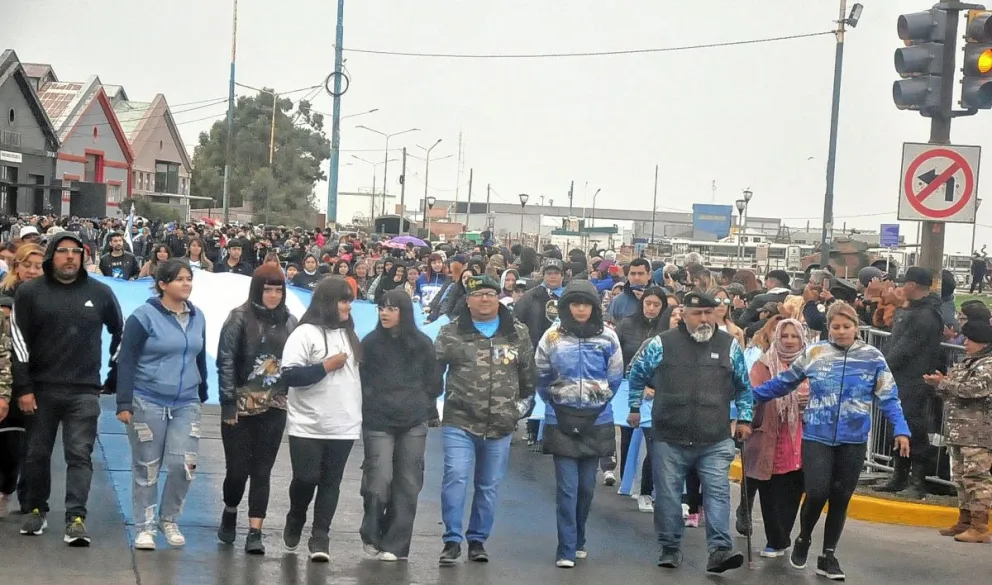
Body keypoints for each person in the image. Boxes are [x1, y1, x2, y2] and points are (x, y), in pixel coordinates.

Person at [752, 301, 911, 580]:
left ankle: (828, 555)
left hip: (854, 438)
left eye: (846, 326)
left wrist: (901, 429)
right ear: (828, 328)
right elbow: (783, 382)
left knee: (840, 498)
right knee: (816, 492)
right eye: (835, 327)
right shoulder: (815, 353)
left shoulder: (873, 357)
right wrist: (749, 397)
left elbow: (889, 396)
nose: (840, 331)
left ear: (856, 327)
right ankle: (803, 538)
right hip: (817, 435)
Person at [627, 291, 753, 574]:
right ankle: (670, 547)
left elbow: (744, 386)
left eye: (710, 312)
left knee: (718, 492)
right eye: (698, 313)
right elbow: (636, 374)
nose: (704, 318)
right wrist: (634, 406)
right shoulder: (661, 344)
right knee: (669, 495)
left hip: (715, 436)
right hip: (669, 436)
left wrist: (745, 419)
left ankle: (719, 551)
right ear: (684, 314)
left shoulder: (729, 346)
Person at [12, 232, 124, 545]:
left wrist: (113, 374)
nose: (70, 257)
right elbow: (19, 343)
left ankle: (76, 517)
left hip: (84, 391)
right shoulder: (30, 293)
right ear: (51, 256)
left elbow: (121, 331)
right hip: (40, 389)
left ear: (83, 257)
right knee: (36, 455)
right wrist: (23, 387)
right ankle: (36, 509)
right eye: (63, 251)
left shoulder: (100, 292)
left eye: (76, 251)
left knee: (79, 455)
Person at [434, 275, 536, 565]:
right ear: (468, 300)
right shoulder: (451, 332)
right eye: (478, 294)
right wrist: (430, 403)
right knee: (456, 477)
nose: (485, 299)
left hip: (501, 424)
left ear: (498, 297)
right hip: (459, 421)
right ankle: (452, 540)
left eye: (491, 293)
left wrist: (520, 409)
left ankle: (477, 540)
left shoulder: (517, 332)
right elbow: (433, 371)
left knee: (488, 485)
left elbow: (528, 377)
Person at [115, 260, 208, 550]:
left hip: (186, 402)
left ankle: (169, 519)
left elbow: (199, 356)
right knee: (147, 467)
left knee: (184, 465)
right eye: (179, 279)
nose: (186, 284)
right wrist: (123, 401)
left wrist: (202, 390)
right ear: (163, 284)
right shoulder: (143, 317)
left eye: (189, 278)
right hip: (147, 399)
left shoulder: (198, 316)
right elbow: (126, 359)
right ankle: (145, 526)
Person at [535, 280, 624, 568]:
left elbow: (615, 376)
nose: (581, 309)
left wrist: (598, 399)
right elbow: (541, 374)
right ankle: (566, 548)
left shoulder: (609, 338)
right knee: (567, 488)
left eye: (586, 303)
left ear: (595, 307)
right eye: (575, 303)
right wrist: (558, 400)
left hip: (597, 418)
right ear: (566, 306)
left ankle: (580, 538)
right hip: (560, 417)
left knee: (587, 487)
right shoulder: (551, 337)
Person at [280, 277, 363, 562]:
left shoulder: (350, 334)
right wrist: (325, 366)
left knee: (331, 482)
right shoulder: (304, 333)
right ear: (328, 302)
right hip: (308, 424)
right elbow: (290, 375)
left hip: (344, 424)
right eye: (344, 300)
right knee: (306, 478)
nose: (349, 306)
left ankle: (320, 536)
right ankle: (296, 516)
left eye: (350, 300)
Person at [216, 265, 298, 554]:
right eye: (268, 289)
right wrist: (227, 403)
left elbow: (296, 362)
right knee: (237, 471)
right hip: (239, 406)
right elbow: (225, 361)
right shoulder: (238, 318)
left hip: (274, 406)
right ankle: (229, 509)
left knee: (262, 471)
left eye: (279, 289)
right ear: (257, 289)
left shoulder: (291, 322)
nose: (274, 295)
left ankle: (255, 531)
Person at [359, 290, 441, 562]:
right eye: (381, 308)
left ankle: (395, 544)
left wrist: (422, 402)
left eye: (391, 308)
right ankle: (371, 529)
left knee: (408, 482)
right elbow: (362, 381)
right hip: (378, 420)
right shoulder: (369, 343)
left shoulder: (422, 344)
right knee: (379, 480)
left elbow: (434, 383)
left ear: (404, 312)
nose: (384, 313)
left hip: (413, 420)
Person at [875, 267, 944, 499]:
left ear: (912, 286)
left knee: (915, 428)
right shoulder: (913, 310)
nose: (901, 288)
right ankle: (899, 475)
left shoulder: (926, 315)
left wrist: (879, 365)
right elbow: (895, 342)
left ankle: (917, 481)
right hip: (900, 378)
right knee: (897, 426)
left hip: (915, 379)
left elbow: (904, 350)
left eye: (904, 284)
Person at [743, 318, 808, 558]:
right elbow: (752, 394)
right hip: (769, 434)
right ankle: (775, 539)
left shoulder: (812, 365)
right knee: (769, 488)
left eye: (794, 336)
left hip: (802, 435)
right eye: (784, 336)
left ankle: (783, 537)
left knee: (793, 487)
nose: (789, 341)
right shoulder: (763, 364)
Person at [925, 319, 992, 543]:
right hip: (959, 431)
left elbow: (972, 391)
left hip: (978, 433)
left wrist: (944, 384)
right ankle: (964, 521)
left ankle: (980, 525)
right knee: (961, 479)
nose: (965, 344)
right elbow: (953, 391)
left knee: (977, 479)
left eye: (970, 340)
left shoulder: (987, 365)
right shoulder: (967, 363)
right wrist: (940, 383)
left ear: (981, 341)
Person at [615, 285, 668, 512]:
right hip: (632, 388)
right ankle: (629, 480)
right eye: (648, 303)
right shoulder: (627, 324)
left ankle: (650, 488)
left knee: (654, 442)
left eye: (657, 305)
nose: (652, 308)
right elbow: (619, 358)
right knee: (629, 434)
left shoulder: (667, 330)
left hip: (660, 394)